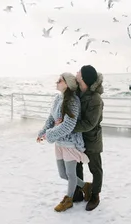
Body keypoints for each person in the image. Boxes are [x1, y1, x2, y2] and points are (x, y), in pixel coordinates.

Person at [37, 72, 91, 213]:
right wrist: (42, 132)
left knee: (71, 174)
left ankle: (68, 200)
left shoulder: (73, 101)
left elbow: (68, 126)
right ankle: (86, 186)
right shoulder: (57, 99)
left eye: (60, 80)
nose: (57, 82)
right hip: (59, 143)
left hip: (69, 143)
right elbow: (51, 118)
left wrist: (49, 134)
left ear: (67, 83)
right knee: (62, 174)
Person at [71, 65, 104, 211]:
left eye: (79, 71)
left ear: (83, 77)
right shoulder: (77, 91)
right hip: (78, 137)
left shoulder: (95, 98)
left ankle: (95, 194)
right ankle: (79, 191)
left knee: (95, 168)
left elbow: (90, 123)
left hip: (92, 138)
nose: (76, 72)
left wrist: (69, 126)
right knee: (77, 165)